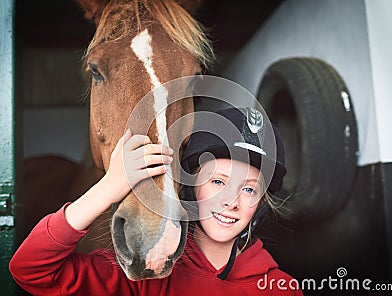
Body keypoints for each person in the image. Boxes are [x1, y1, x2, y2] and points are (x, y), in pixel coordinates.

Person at [9, 107, 303, 295]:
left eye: (249, 190)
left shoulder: (282, 288)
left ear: (261, 203)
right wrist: (108, 188)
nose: (232, 202)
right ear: (188, 189)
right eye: (217, 182)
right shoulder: (147, 272)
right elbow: (31, 270)